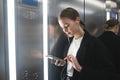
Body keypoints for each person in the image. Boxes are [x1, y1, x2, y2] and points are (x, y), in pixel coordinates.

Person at [50, 7, 117, 80]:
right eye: (62, 28)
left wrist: (81, 68)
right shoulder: (67, 42)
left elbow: (109, 73)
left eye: (67, 26)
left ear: (77, 20)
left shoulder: (94, 44)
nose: (65, 30)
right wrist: (64, 63)